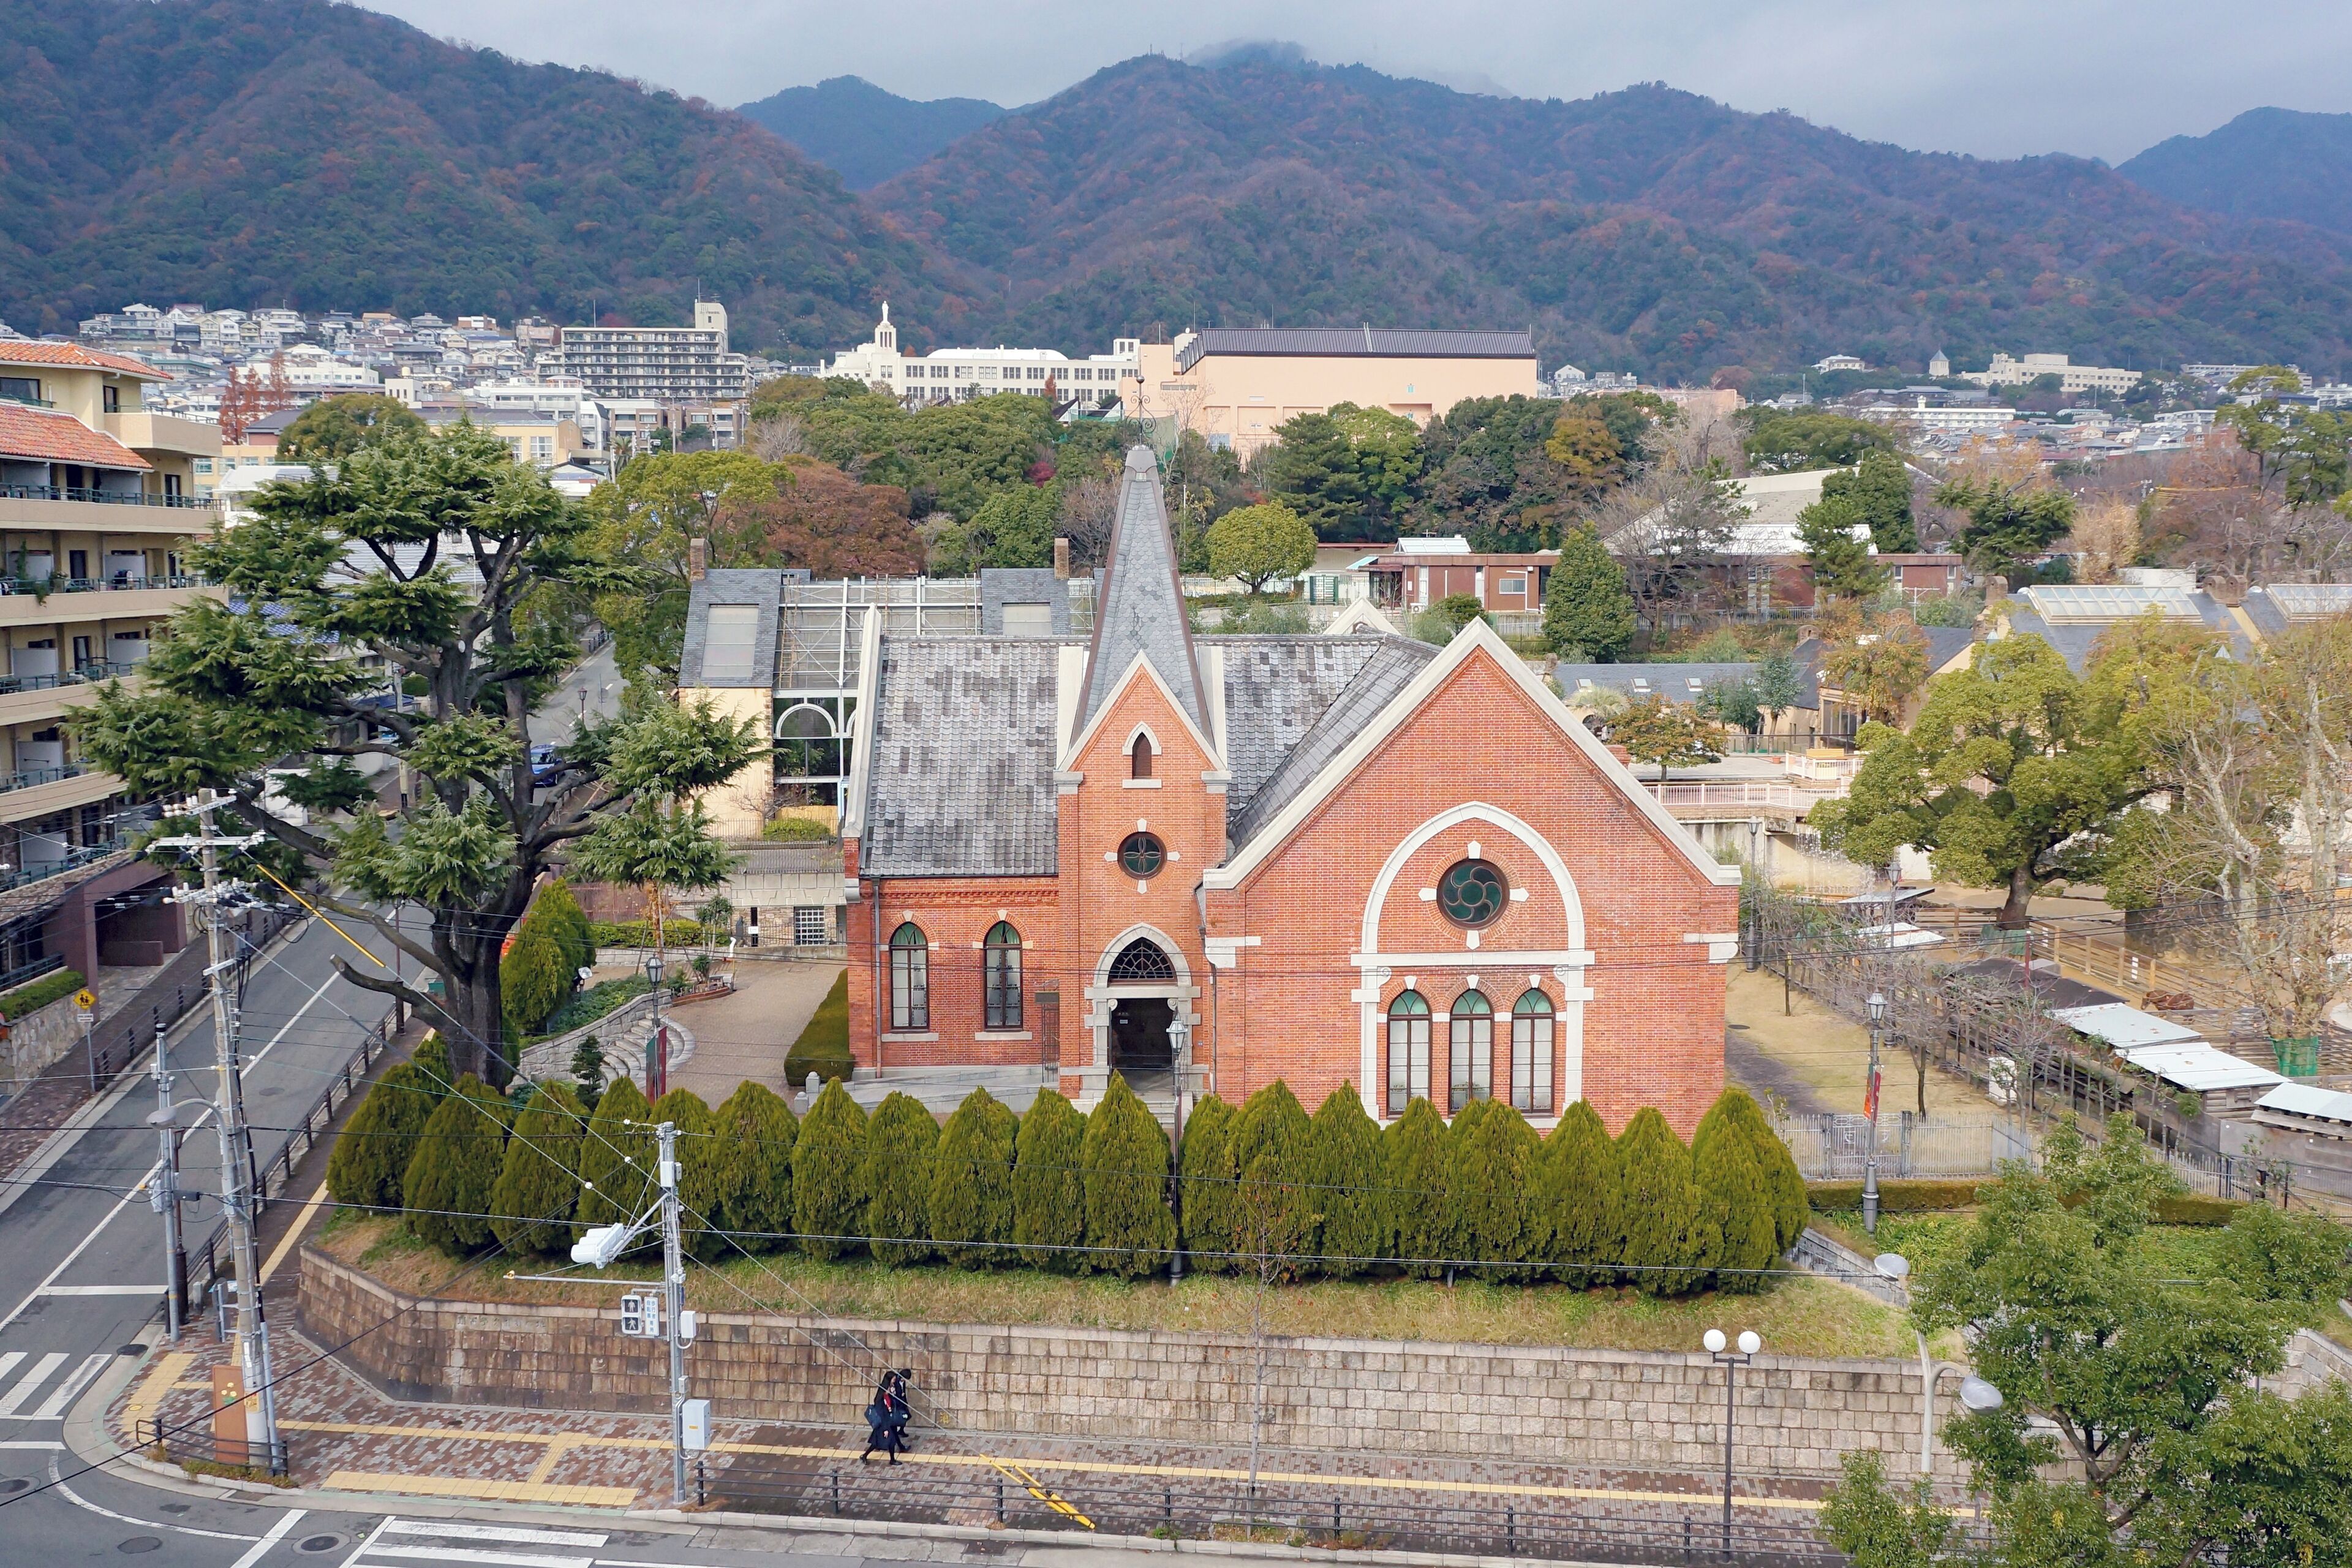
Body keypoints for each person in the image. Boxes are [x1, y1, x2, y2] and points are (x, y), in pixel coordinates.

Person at [861, 1369, 913, 1463]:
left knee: (891, 1439)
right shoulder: (881, 1398)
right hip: (884, 1422)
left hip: (889, 1419)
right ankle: (866, 1456)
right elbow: (882, 1412)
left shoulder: (888, 1392)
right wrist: (885, 1428)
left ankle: (892, 1458)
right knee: (881, 1442)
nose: (894, 1382)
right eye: (893, 1380)